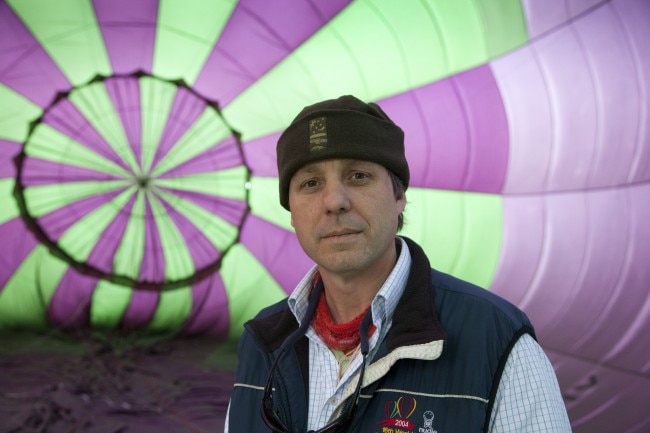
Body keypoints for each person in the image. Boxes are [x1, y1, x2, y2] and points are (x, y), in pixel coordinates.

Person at [225, 95, 571, 432]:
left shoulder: (495, 341)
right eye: (311, 183)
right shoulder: (263, 341)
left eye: (358, 176)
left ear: (399, 195)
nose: (334, 202)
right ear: (292, 213)